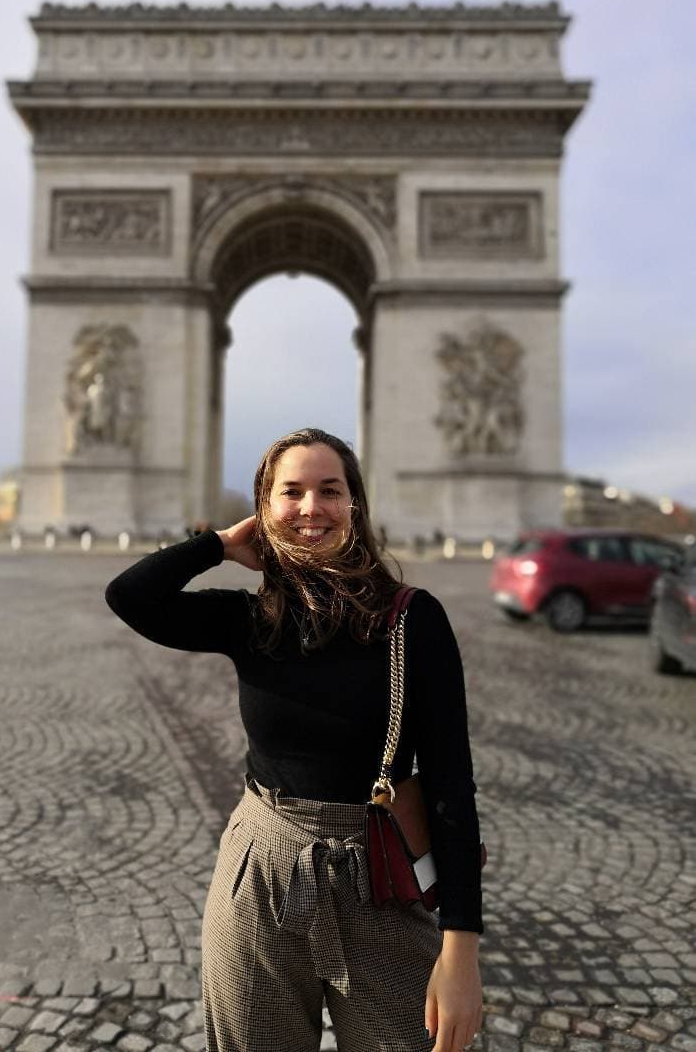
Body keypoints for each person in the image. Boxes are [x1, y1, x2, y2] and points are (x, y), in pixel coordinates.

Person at [105, 427, 483, 1052]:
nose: (312, 509)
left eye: (330, 491)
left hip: (378, 877)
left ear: (355, 503)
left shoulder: (415, 618)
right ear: (266, 508)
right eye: (292, 493)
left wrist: (460, 950)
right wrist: (220, 545)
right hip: (259, 870)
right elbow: (130, 595)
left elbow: (450, 784)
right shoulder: (250, 618)